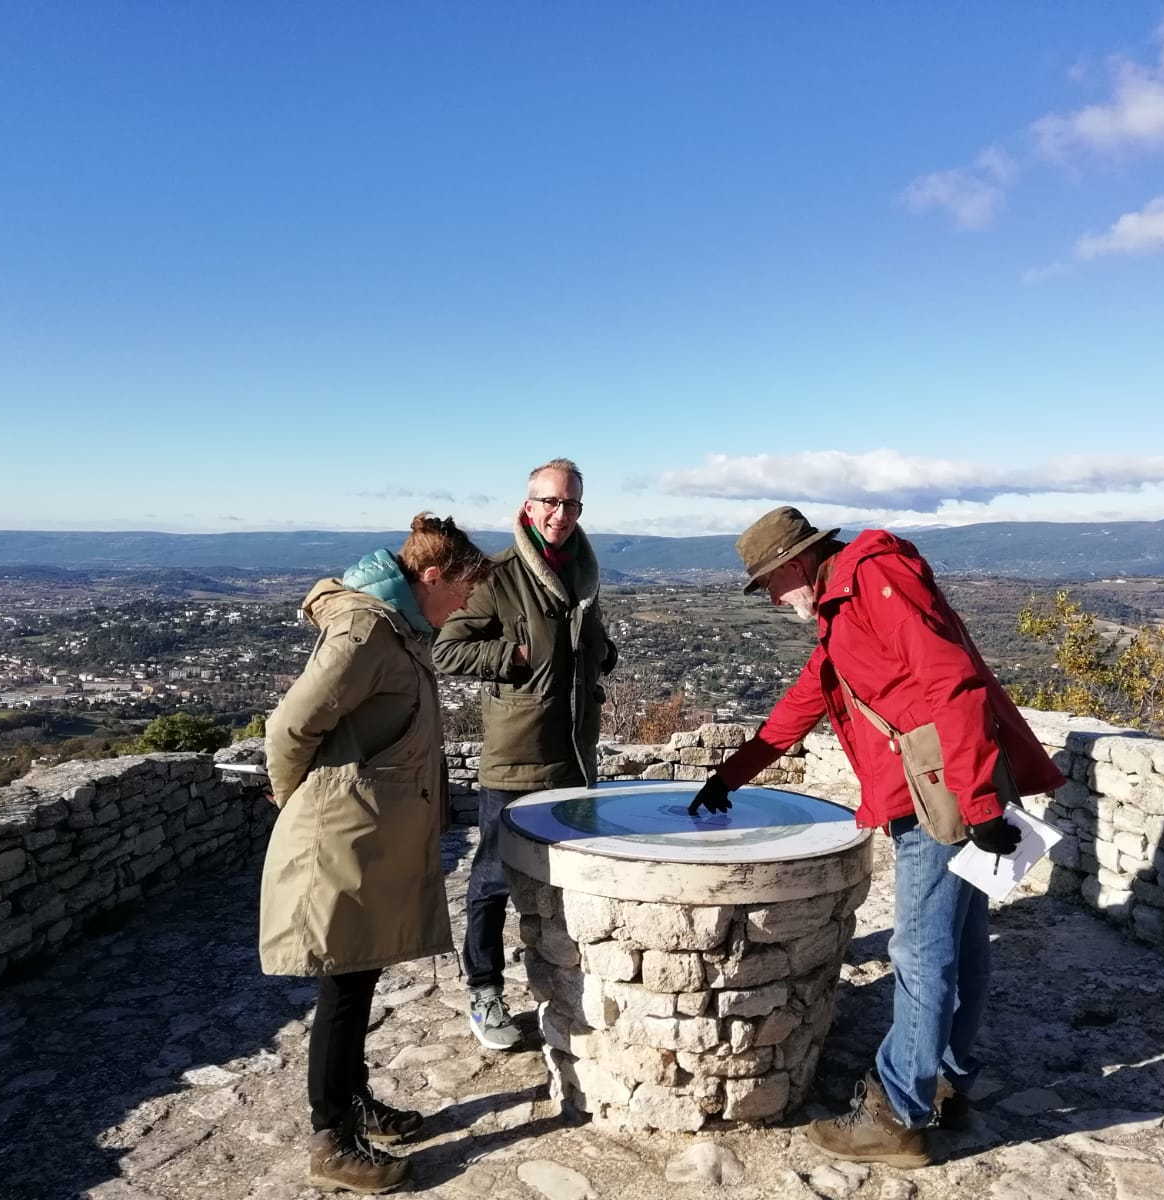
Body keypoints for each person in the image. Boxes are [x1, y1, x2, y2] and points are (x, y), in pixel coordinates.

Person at [692, 506, 1064, 1167]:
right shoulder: (841, 611)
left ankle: (896, 1113)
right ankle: (945, 1081)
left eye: (772, 586)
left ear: (797, 565)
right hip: (940, 788)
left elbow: (951, 680)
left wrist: (977, 802)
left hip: (940, 795)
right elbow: (799, 709)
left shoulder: (874, 579)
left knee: (920, 953)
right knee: (961, 942)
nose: (776, 602)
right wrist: (730, 777)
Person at [261, 514, 493, 1194]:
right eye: (462, 591)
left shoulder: (396, 630)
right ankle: (330, 1136)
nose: (466, 605)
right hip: (339, 837)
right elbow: (290, 726)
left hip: (362, 837)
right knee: (340, 986)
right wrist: (296, 806)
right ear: (430, 578)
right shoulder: (366, 630)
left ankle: (355, 1102)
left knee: (358, 975)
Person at [432, 457, 617, 1050]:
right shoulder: (499, 576)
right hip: (517, 755)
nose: (561, 514)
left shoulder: (584, 574)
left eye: (572, 505)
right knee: (492, 877)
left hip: (575, 754)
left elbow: (590, 642)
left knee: (573, 873)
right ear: (529, 505)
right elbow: (447, 651)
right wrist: (510, 657)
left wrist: (601, 655)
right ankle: (483, 989)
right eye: (552, 502)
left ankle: (566, 978)